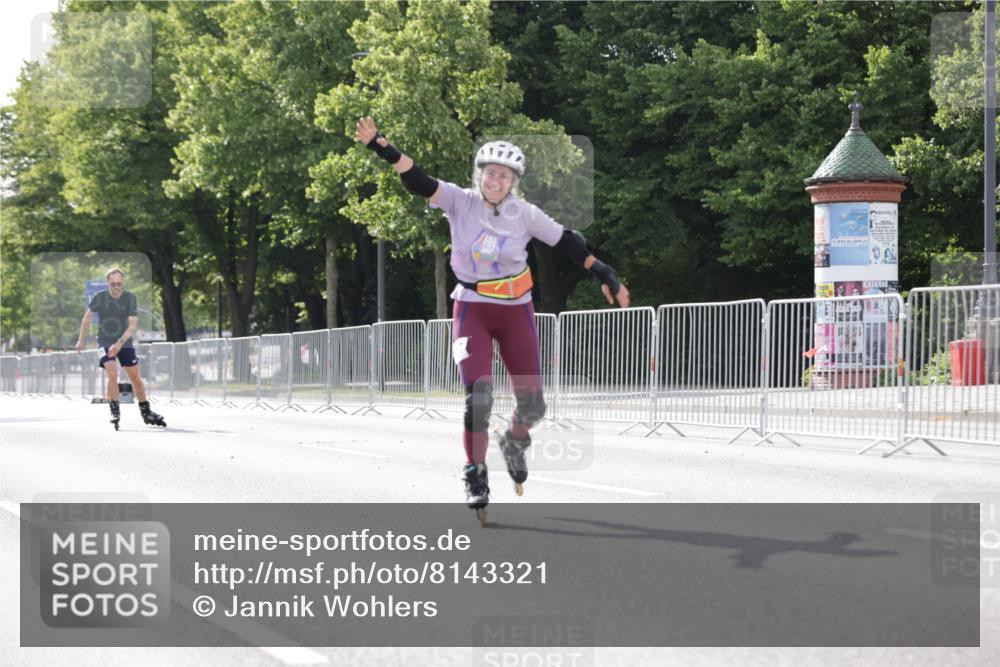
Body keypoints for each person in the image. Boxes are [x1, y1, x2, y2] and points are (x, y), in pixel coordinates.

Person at [356, 117, 629, 521]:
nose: (495, 181)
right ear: (479, 175)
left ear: (513, 182)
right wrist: (383, 147)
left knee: (533, 406)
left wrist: (604, 272)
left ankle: (514, 441)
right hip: (472, 308)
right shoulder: (459, 201)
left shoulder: (524, 213)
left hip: (516, 310)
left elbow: (568, 241)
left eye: (503, 176)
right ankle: (475, 473)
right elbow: (419, 180)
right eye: (490, 174)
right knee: (478, 398)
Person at [75, 267, 166, 429]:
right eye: (113, 284)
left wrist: (119, 343)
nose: (116, 288)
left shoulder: (130, 297)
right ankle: (115, 410)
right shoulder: (99, 297)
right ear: (107, 283)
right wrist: (81, 340)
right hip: (104, 341)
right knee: (112, 372)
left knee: (135, 378)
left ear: (122, 283)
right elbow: (87, 318)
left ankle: (146, 412)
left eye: (119, 284)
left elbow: (132, 326)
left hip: (125, 342)